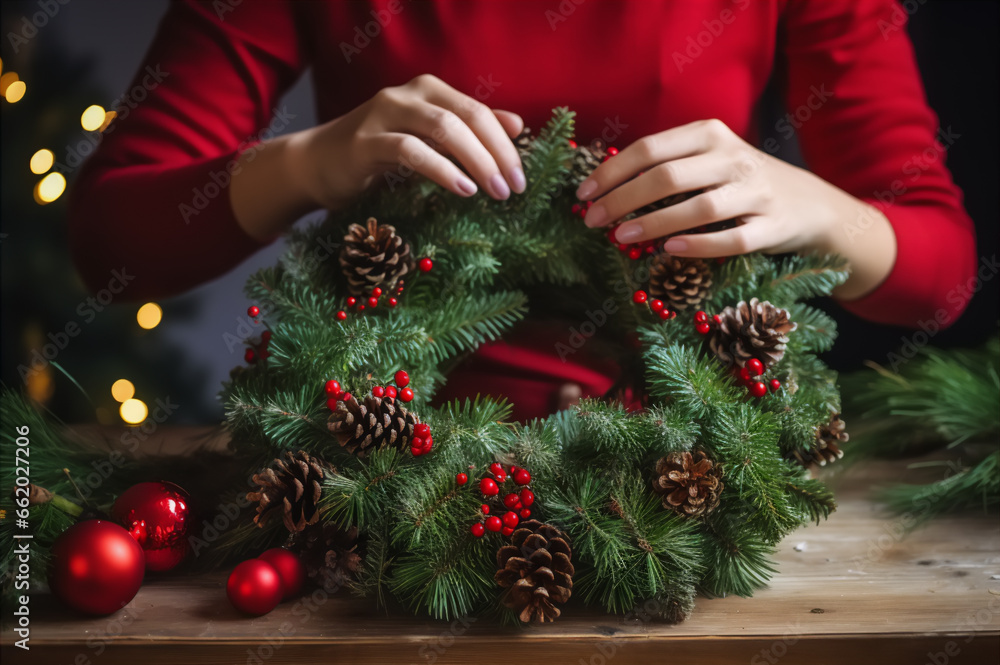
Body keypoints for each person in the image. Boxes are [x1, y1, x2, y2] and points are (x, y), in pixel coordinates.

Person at [68, 0, 977, 420]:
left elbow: (940, 274)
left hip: (687, 465)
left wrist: (809, 205)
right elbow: (111, 241)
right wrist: (315, 160)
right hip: (373, 469)